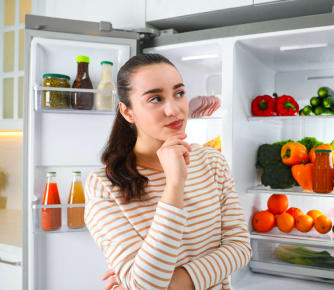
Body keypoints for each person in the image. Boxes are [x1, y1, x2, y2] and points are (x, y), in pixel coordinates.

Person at [84, 54, 252, 290]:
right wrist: (174, 184)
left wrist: (173, 285)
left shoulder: (212, 162)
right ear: (127, 112)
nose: (174, 109)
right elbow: (146, 285)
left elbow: (240, 247)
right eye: (155, 98)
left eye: (179, 93)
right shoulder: (104, 185)